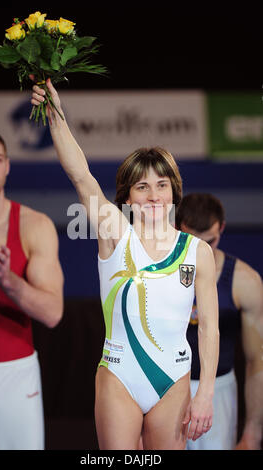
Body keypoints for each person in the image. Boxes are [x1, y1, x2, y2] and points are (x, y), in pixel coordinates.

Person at [30, 79, 219, 450]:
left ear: (174, 192)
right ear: (127, 196)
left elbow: (209, 327)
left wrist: (206, 393)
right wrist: (55, 115)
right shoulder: (114, 232)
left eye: (161, 185)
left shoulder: (197, 251)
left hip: (175, 378)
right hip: (119, 376)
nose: (153, 195)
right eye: (142, 187)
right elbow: (81, 176)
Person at [0, 128, 64, 450]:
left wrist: (8, 281)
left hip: (16, 371)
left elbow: (54, 313)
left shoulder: (34, 225)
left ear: (8, 166)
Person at [176, 193, 263, 450]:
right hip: (166, 387)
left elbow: (257, 359)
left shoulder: (245, 282)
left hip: (218, 392)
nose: (203, 249)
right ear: (177, 228)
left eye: (210, 241)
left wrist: (253, 430)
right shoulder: (158, 274)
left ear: (222, 228)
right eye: (193, 240)